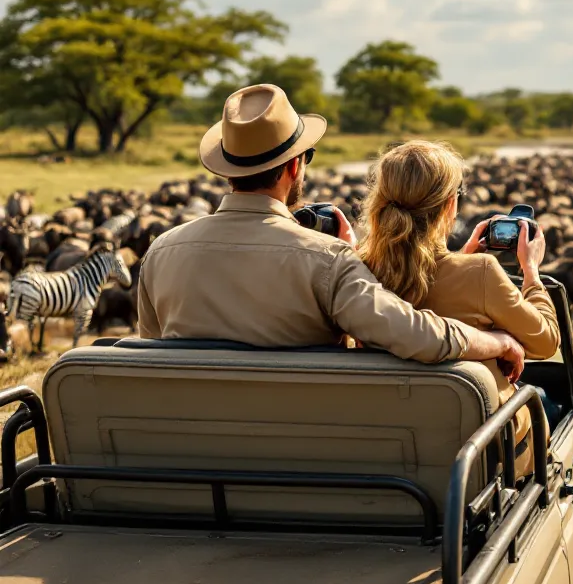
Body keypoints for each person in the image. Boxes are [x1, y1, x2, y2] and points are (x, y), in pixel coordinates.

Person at [137, 84, 524, 371]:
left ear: (226, 168)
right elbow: (418, 336)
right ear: (294, 166)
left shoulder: (162, 250)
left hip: (187, 457)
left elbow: (152, 350)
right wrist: (498, 342)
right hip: (303, 456)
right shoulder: (327, 260)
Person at [358, 140, 560, 475]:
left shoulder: (357, 271)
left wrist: (461, 258)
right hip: (479, 454)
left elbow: (419, 282)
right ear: (451, 205)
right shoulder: (481, 273)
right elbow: (546, 342)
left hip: (390, 436)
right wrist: (531, 273)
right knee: (544, 400)